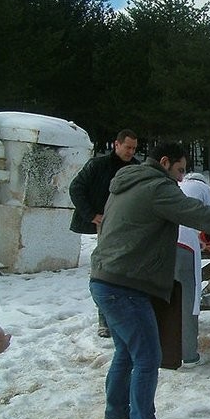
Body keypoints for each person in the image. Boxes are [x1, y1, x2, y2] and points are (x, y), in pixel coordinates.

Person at [89, 142, 210, 419]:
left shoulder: (127, 183)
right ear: (164, 162)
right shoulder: (157, 188)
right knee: (148, 355)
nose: (182, 179)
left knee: (126, 352)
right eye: (180, 170)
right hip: (125, 285)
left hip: (106, 279)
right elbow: (199, 214)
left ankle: (117, 412)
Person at [70, 129, 139, 338]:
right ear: (116, 145)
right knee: (105, 271)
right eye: (127, 147)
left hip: (129, 227)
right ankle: (105, 320)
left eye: (134, 148)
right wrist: (91, 215)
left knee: (128, 271)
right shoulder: (97, 165)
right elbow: (76, 189)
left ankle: (127, 314)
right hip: (105, 226)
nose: (130, 152)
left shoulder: (137, 168)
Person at [174, 172, 210, 367]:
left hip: (162, 243)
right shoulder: (204, 189)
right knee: (187, 300)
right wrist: (204, 240)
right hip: (185, 246)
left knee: (166, 298)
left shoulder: (175, 185)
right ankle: (188, 355)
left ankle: (165, 351)